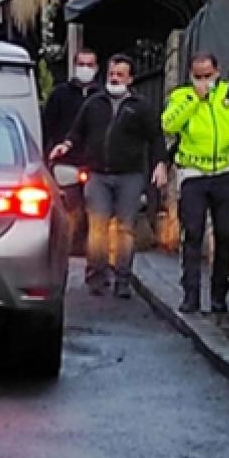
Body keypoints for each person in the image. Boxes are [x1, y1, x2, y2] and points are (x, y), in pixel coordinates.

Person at [50, 54, 167, 298]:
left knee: (126, 229)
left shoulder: (141, 107)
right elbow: (77, 130)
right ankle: (96, 277)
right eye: (112, 74)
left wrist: (160, 165)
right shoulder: (94, 103)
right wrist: (67, 144)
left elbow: (155, 138)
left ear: (130, 79)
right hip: (98, 175)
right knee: (98, 227)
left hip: (130, 176)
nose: (114, 78)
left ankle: (122, 280)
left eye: (120, 75)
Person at [161, 52, 229, 314]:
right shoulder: (182, 97)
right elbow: (169, 124)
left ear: (217, 72)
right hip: (193, 174)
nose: (203, 82)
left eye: (208, 76)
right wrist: (195, 99)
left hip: (225, 173)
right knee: (192, 234)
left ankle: (219, 295)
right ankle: (190, 294)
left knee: (224, 235)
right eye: (198, 77)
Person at [41, 48, 104, 253]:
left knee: (95, 210)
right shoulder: (60, 94)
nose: (85, 68)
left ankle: (91, 251)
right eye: (82, 64)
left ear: (96, 68)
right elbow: (47, 126)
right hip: (65, 161)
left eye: (90, 64)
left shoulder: (102, 97)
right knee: (70, 209)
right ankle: (67, 249)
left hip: (95, 162)